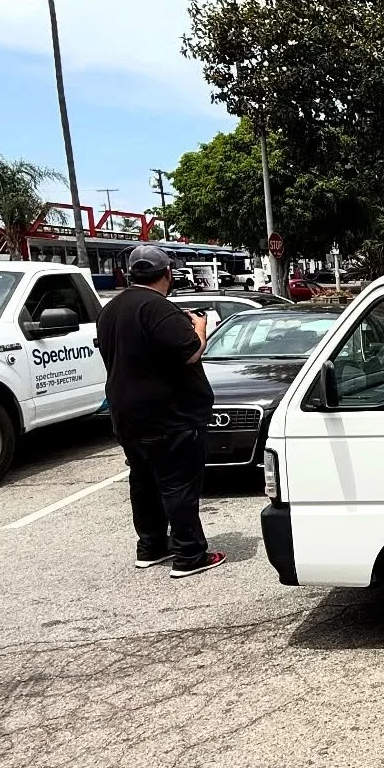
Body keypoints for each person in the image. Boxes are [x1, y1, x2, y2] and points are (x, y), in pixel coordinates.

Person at [97, 245, 226, 577]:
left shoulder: (110, 310)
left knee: (143, 481)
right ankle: (189, 554)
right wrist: (199, 325)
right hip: (169, 415)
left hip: (126, 413)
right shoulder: (157, 308)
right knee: (177, 482)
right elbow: (189, 352)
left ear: (130, 273)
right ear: (168, 274)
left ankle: (151, 546)